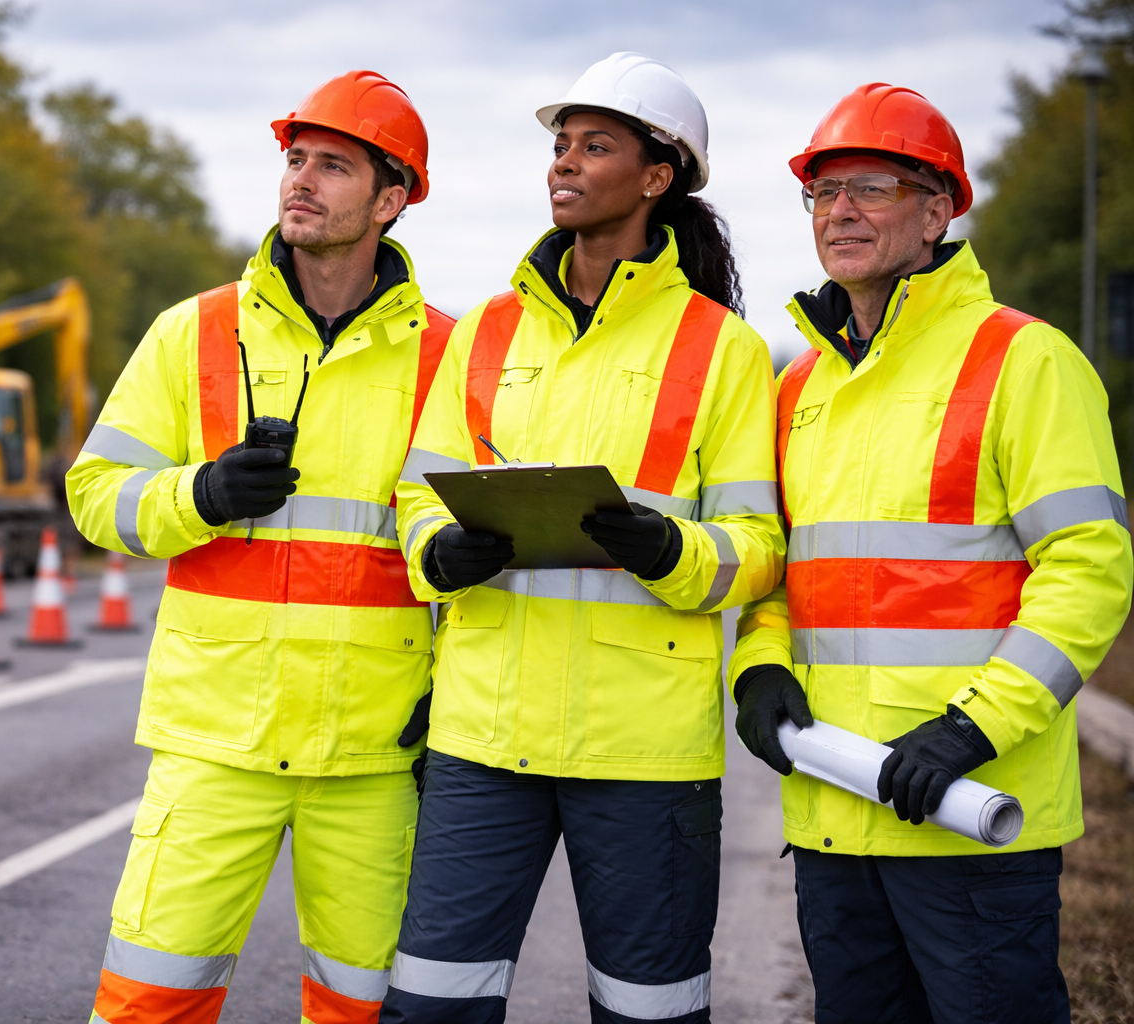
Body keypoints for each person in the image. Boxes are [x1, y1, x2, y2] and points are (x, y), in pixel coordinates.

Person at [383, 52, 784, 1024]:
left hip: (643, 754)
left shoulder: (719, 347)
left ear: (657, 177)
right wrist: (439, 553)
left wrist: (669, 551)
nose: (563, 162)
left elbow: (757, 545)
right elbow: (417, 493)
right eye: (560, 145)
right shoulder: (483, 331)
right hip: (482, 739)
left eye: (593, 146)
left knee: (649, 1010)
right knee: (432, 1006)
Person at [731, 82, 1133, 1024]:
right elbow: (779, 573)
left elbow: (1089, 569)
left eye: (868, 188)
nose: (840, 213)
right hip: (836, 813)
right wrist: (757, 668)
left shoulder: (1025, 361)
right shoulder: (800, 389)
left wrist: (973, 729)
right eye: (823, 194)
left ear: (939, 208)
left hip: (967, 812)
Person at [66, 70, 453, 1024]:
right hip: (214, 739)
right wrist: (198, 494)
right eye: (294, 159)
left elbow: (465, 552)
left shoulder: (451, 354)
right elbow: (92, 495)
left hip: (375, 753)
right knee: (149, 1003)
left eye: (333, 165)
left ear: (392, 199)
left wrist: (452, 707)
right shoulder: (191, 331)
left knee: (366, 1011)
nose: (302, 181)